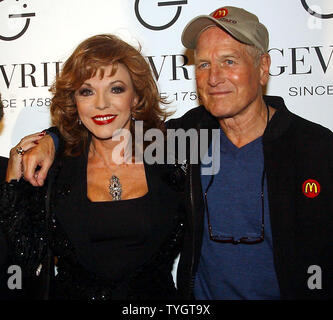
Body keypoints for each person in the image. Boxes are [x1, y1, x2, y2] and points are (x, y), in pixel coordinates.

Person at [18, 6, 333, 300]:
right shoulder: (185, 138)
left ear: (262, 67)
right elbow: (100, 127)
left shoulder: (313, 148)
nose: (214, 77)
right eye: (204, 64)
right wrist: (53, 139)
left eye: (229, 61)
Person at [0, 34, 184, 300]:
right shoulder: (52, 169)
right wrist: (13, 185)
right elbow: (24, 262)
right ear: (75, 101)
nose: (101, 103)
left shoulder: (176, 160)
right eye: (87, 91)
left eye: (116, 88)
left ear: (136, 98)